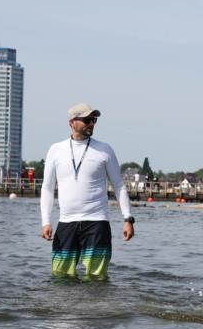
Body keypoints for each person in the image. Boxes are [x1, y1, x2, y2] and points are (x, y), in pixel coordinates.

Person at [40, 102, 134, 279]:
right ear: (72, 122)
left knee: (97, 279)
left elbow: (119, 185)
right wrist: (45, 221)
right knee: (60, 278)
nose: (91, 124)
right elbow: (47, 188)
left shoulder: (104, 150)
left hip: (97, 222)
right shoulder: (56, 150)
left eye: (94, 120)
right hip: (66, 223)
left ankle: (95, 307)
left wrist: (128, 219)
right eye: (87, 120)